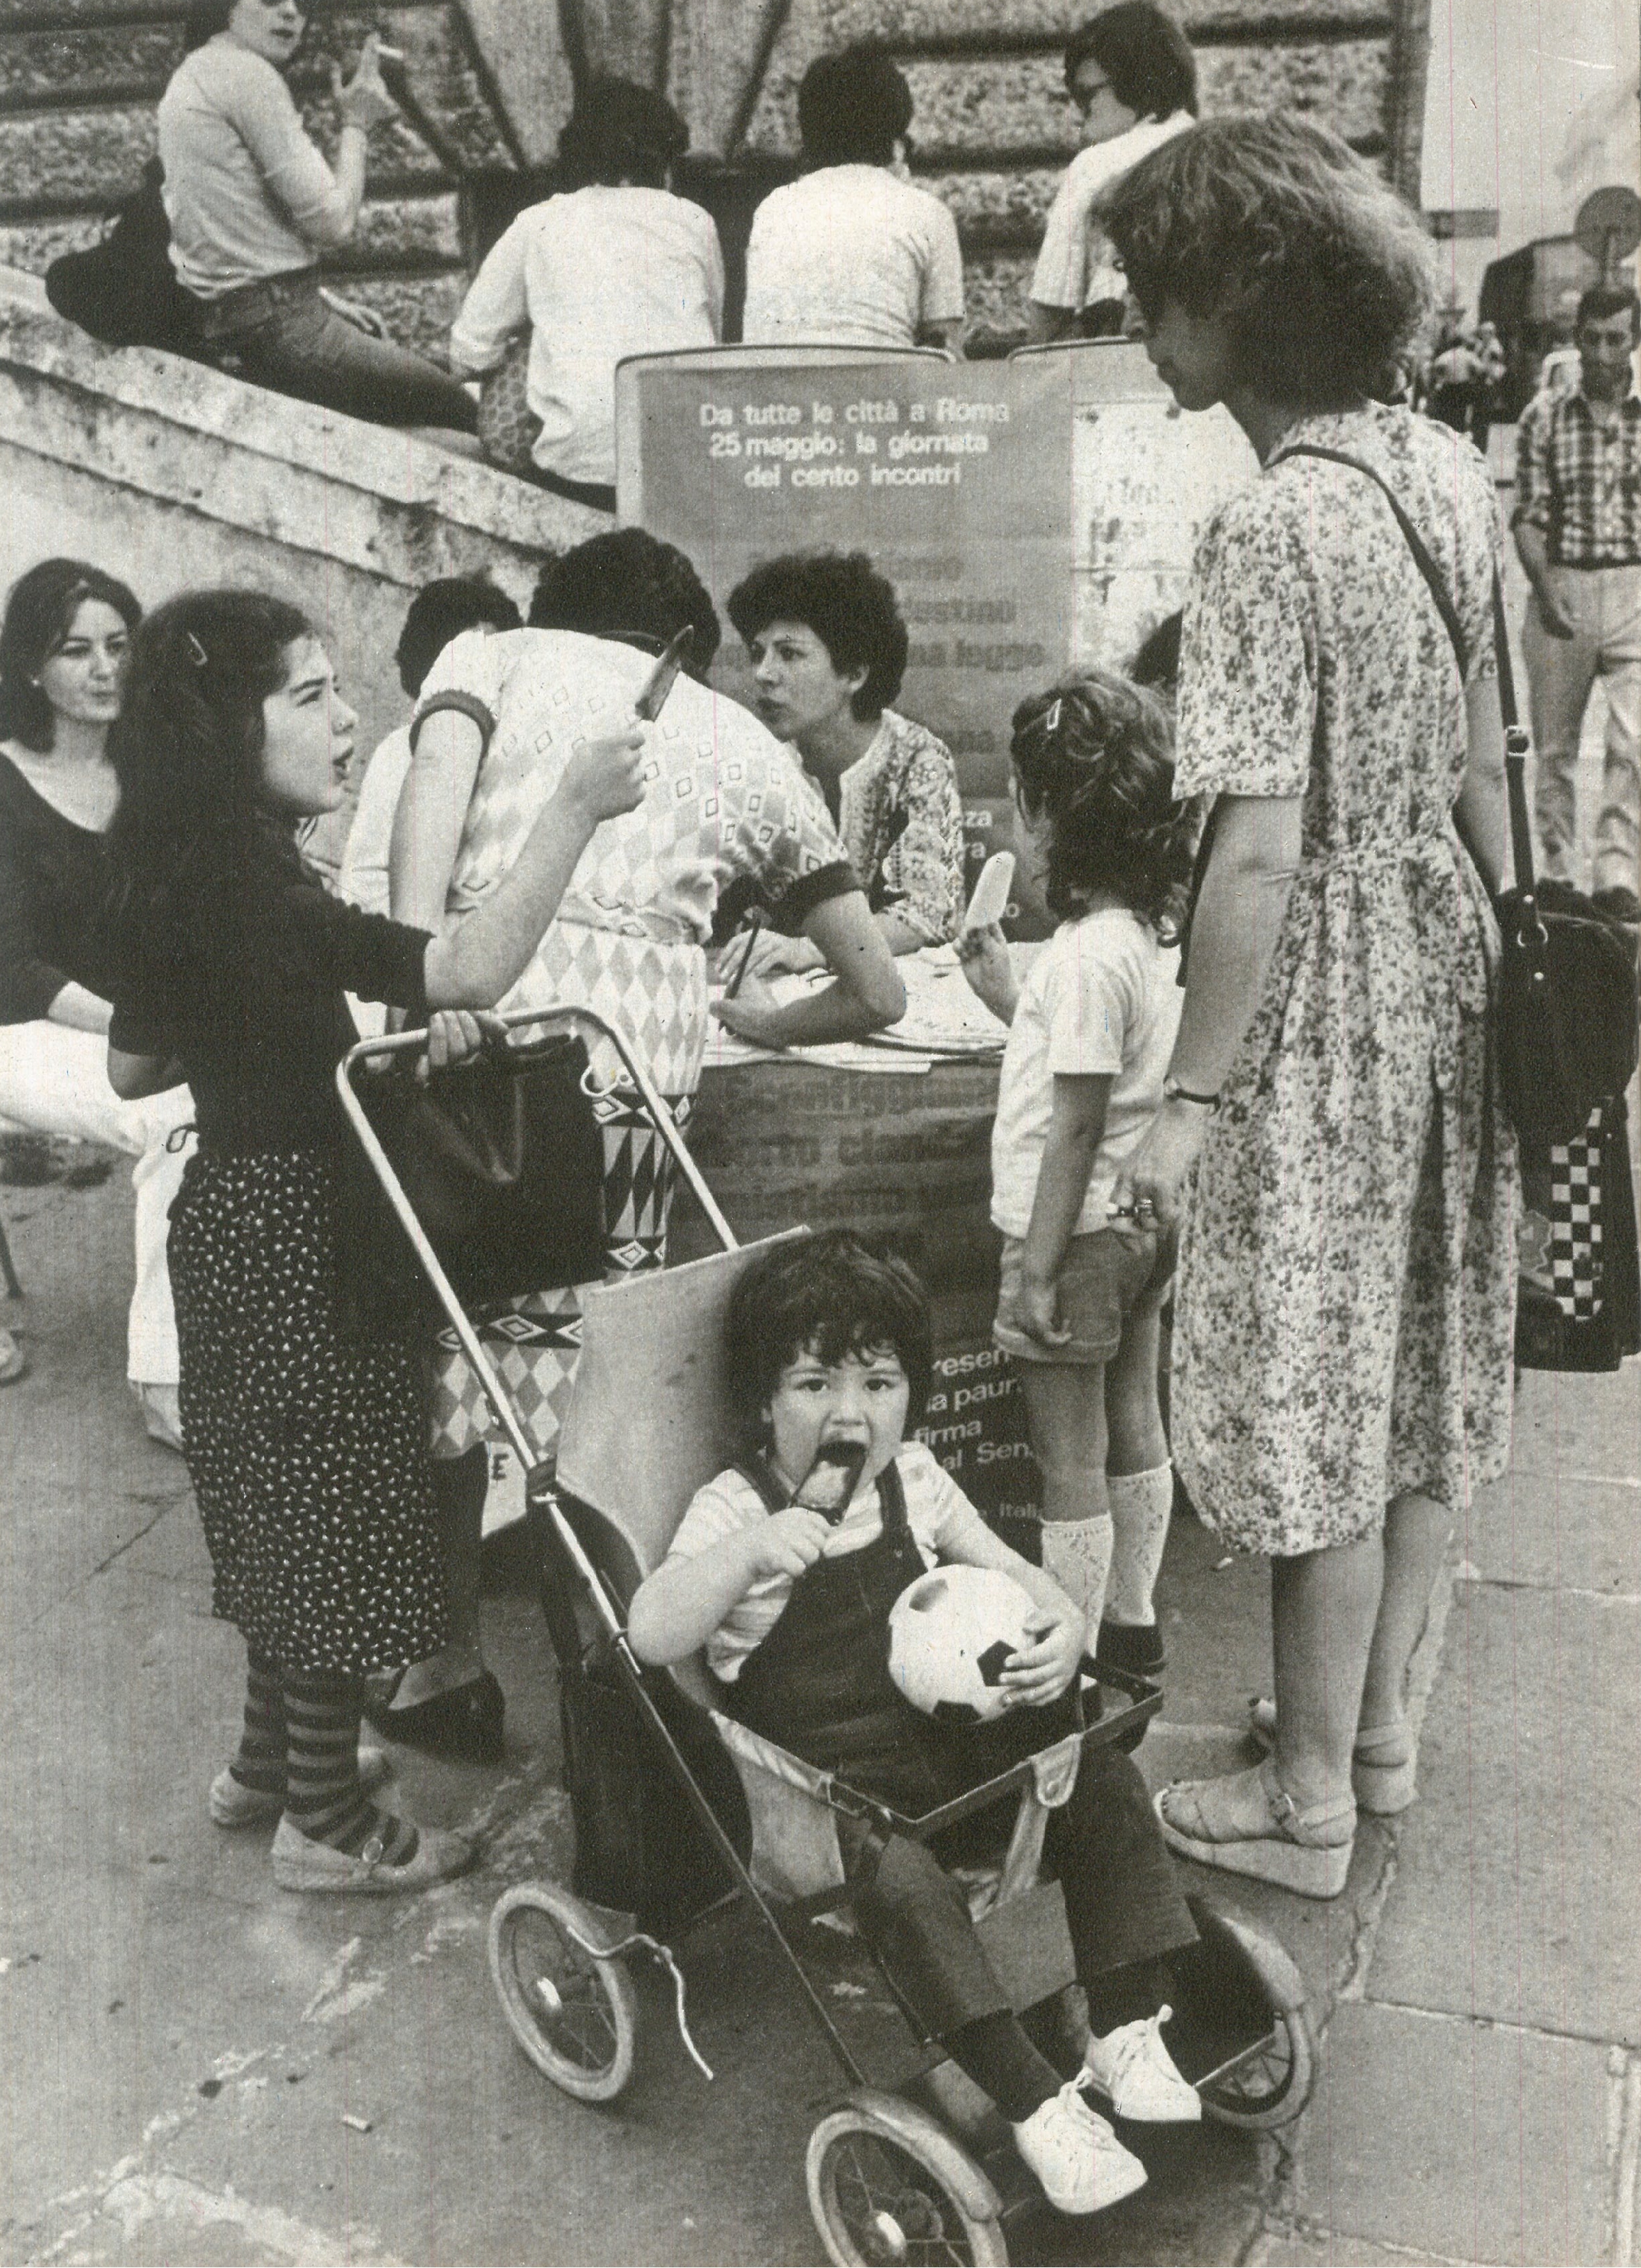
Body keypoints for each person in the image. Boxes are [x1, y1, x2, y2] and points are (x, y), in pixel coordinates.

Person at [1098, 114, 1517, 1898]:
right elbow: (1491, 754)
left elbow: (1253, 861)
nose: (1135, 325)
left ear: (1236, 301)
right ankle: (1378, 1739)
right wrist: (1506, 938)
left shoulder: (1269, 529)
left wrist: (1185, 1103)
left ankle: (1306, 1808)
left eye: (1151, 290)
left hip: (1326, 990)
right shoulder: (1438, 468)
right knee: (1420, 1366)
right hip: (1451, 958)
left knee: (1307, 1396)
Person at [101, 588, 647, 1893]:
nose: (350, 722)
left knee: (274, 1506)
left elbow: (132, 1063)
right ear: (225, 729)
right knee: (332, 1521)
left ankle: (271, 1764)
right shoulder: (261, 888)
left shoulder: (186, 863)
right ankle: (327, 1826)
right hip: (309, 1226)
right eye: (309, 696)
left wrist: (301, 1031)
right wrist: (572, 804)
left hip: (232, 1215)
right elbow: (464, 964)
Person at [372, 529, 904, 1759]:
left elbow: (431, 794)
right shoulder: (747, 745)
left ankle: (438, 1664)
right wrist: (764, 1014)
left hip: (477, 1051)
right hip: (629, 1092)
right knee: (590, 1367)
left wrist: (418, 971)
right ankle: (607, 1670)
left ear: (558, 609)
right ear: (680, 641)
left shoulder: (492, 654)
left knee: (451, 1344)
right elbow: (875, 990)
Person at [628, 1231, 1202, 2217]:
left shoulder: (917, 1482)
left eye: (879, 1383)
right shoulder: (736, 1506)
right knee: (900, 1876)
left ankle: (1119, 2023)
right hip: (828, 1805)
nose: (849, 1412)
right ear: (762, 1404)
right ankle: (1028, 2098)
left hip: (953, 1762)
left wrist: (1060, 1627)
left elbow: (1008, 1569)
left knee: (1099, 1765)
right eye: (812, 1384)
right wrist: (755, 1551)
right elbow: (650, 1631)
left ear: (910, 1397)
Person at [956, 672, 1192, 1684]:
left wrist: (1039, 1269)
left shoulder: (1083, 956)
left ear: (1053, 815)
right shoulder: (1137, 944)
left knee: (1067, 1458)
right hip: (1137, 1233)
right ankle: (1132, 1621)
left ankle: (1077, 1654)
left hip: (1079, 1239)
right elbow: (1105, 1078)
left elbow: (1074, 1126)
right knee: (1134, 1417)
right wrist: (1007, 997)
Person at [0, 559, 192, 1438]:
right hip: (25, 1029)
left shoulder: (156, 773)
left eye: (120, 645)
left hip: (140, 1027)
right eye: (76, 650)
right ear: (32, 666)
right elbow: (14, 969)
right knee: (177, 1114)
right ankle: (164, 1382)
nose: (105, 667)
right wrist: (142, 1026)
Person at [157, 0, 477, 430]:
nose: (290, 12)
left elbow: (226, 224)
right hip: (281, 328)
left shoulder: (192, 74)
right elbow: (334, 223)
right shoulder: (249, 76)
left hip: (233, 319)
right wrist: (357, 123)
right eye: (271, 1)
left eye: (301, 4)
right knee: (458, 407)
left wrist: (322, 297)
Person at [450, 78, 723, 512]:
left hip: (574, 472)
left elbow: (468, 355)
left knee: (541, 337)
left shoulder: (538, 220)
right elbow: (712, 332)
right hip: (685, 467)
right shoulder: (695, 221)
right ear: (664, 164)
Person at [725, 550, 966, 975]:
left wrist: (810, 951)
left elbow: (927, 916)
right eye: (758, 652)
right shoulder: (757, 757)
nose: (763, 673)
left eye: (789, 654)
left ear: (854, 674)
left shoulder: (917, 759)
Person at [1512, 283, 1641, 922]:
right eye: (1590, 337)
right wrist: (1544, 584)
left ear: (1634, 342)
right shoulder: (1545, 415)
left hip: (1633, 587)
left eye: (1615, 338)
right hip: (1561, 582)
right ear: (1577, 338)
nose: (1601, 351)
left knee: (1633, 742)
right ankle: (1560, 872)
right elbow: (1529, 515)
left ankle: (1618, 871)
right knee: (1555, 747)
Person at [741, 47, 965, 354]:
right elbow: (946, 351)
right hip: (880, 397)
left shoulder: (772, 209)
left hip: (779, 397)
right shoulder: (928, 214)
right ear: (895, 130)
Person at [1027, 4, 1198, 345]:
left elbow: (1049, 318)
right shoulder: (1211, 152)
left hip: (1121, 363)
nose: (1081, 115)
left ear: (1135, 80)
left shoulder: (1097, 165)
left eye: (1087, 95)